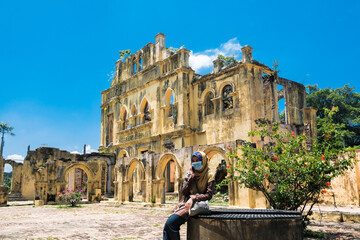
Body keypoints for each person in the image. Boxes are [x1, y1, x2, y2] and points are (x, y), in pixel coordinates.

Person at [163, 151, 216, 240]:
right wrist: (191, 177)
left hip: (196, 204)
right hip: (185, 202)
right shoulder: (190, 173)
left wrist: (194, 198)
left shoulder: (210, 175)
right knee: (168, 225)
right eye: (193, 161)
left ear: (203, 161)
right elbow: (184, 192)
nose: (195, 163)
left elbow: (209, 195)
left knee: (171, 224)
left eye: (198, 160)